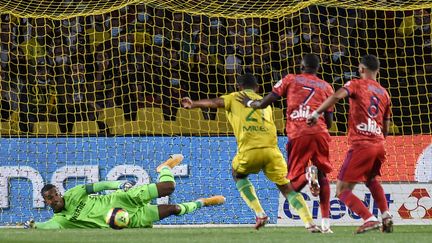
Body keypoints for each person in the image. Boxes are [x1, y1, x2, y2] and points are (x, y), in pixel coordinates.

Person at [181, 73, 321, 232]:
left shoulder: (234, 97)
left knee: (237, 174)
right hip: (272, 152)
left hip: (250, 151)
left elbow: (215, 102)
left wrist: (194, 104)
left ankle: (260, 213)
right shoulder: (264, 103)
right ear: (257, 88)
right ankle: (309, 223)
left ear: (239, 86)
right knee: (287, 189)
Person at [237, 54, 334, 233]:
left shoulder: (290, 79)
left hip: (298, 132)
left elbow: (266, 102)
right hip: (320, 133)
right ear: (317, 69)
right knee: (323, 175)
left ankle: (307, 176)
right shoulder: (327, 87)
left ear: (301, 66)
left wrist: (250, 102)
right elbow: (329, 121)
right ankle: (326, 224)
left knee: (293, 184)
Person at [306, 54, 393, 234]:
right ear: (377, 71)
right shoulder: (384, 93)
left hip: (362, 144)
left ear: (361, 69)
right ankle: (386, 216)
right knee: (371, 180)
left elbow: (337, 96)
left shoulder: (355, 84)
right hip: (379, 144)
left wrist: (317, 113)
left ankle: (369, 219)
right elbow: (386, 126)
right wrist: (378, 138)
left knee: (341, 190)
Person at [25, 154, 225, 229]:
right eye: (48, 200)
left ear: (58, 193)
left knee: (169, 187)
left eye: (53, 196)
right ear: (46, 202)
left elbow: (99, 186)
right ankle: (203, 202)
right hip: (127, 220)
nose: (53, 200)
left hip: (123, 198)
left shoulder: (75, 193)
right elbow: (46, 226)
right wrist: (34, 226)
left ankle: (164, 167)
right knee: (173, 209)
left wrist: (118, 185)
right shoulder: (61, 220)